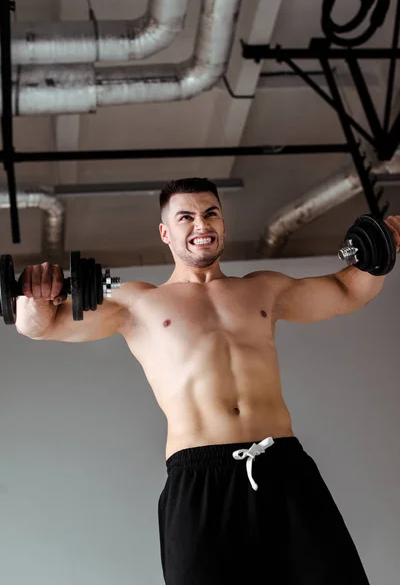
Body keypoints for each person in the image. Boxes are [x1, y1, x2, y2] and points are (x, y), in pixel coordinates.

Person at [16, 178, 400, 584]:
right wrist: (35, 295)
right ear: (166, 233)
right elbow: (40, 326)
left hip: (283, 469)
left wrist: (384, 249)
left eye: (210, 213)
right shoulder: (137, 303)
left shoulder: (263, 289)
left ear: (223, 223)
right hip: (199, 479)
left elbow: (347, 291)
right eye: (186, 217)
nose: (201, 223)